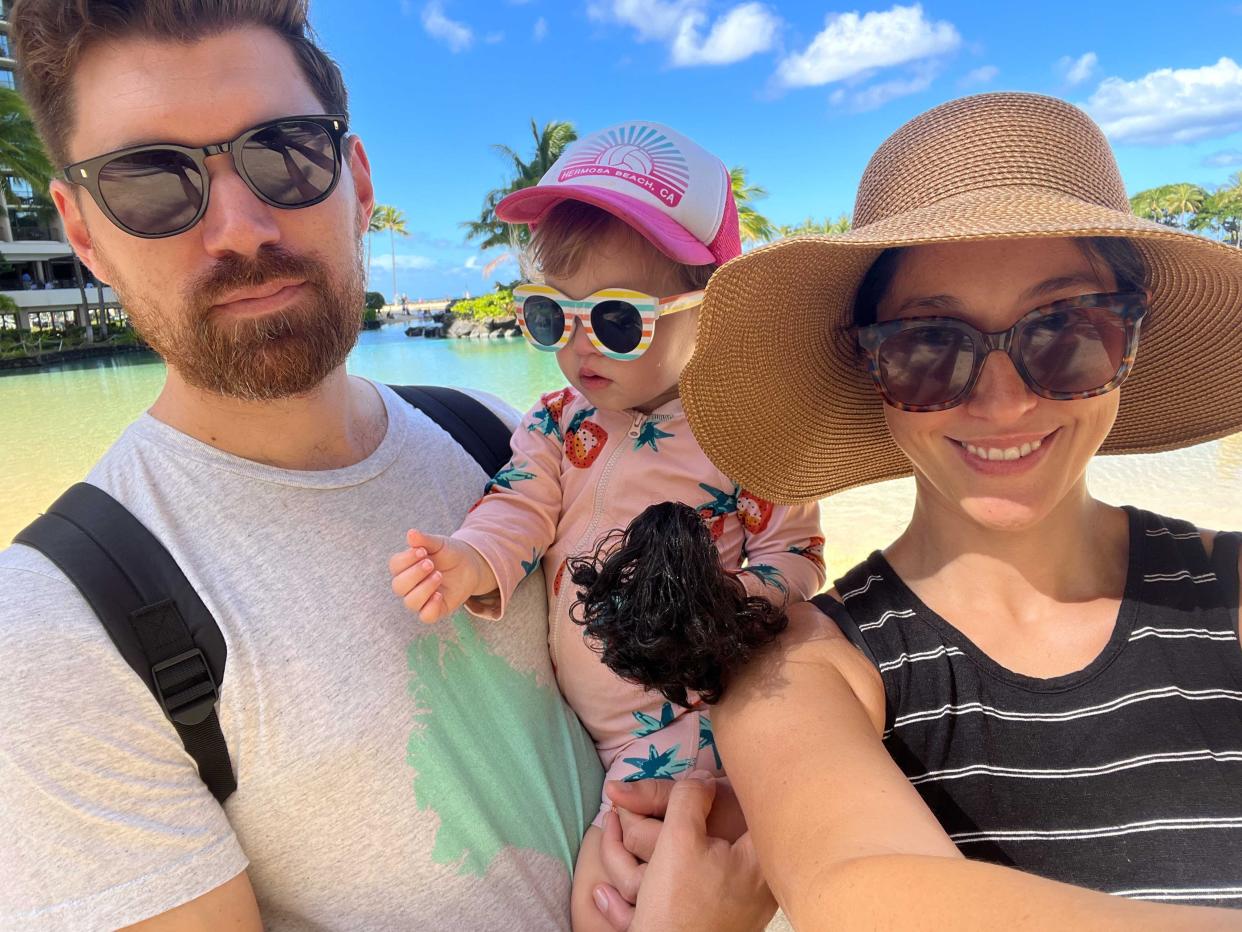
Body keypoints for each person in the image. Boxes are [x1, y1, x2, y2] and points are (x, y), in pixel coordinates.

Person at [0, 2, 601, 929]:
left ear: (356, 182)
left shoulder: (494, 436)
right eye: (150, 184)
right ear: (85, 235)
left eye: (284, 154)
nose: (240, 229)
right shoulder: (56, 628)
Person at [629, 91, 1242, 928]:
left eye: (1064, 330)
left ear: (1128, 339)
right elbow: (862, 894)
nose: (1004, 400)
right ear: (869, 368)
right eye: (929, 343)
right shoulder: (804, 667)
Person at [386, 120, 826, 931]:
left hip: (692, 716)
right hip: (584, 732)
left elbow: (794, 552)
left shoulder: (745, 433)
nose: (582, 346)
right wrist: (469, 561)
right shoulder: (556, 422)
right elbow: (518, 505)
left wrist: (722, 607)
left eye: (618, 319)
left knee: (608, 898)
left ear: (713, 309)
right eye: (554, 316)